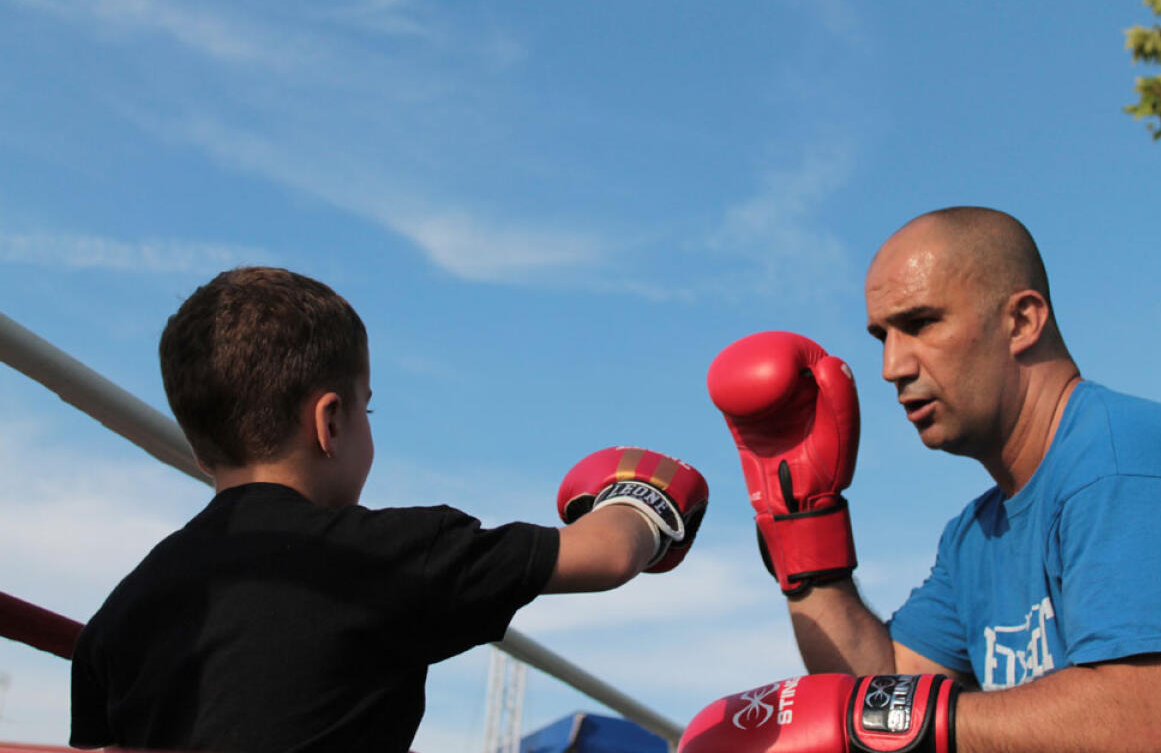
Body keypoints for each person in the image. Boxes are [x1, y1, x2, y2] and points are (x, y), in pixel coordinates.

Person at [69, 266, 707, 753]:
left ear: (199, 443)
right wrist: (645, 494)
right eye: (367, 407)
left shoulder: (119, 612)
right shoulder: (388, 552)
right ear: (330, 422)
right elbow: (610, 553)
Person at [692, 207, 1161, 752]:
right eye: (881, 336)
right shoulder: (975, 535)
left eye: (920, 324)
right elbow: (886, 682)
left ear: (1022, 322)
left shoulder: (1123, 463)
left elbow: (1144, 723)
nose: (892, 367)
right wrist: (804, 524)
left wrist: (884, 720)